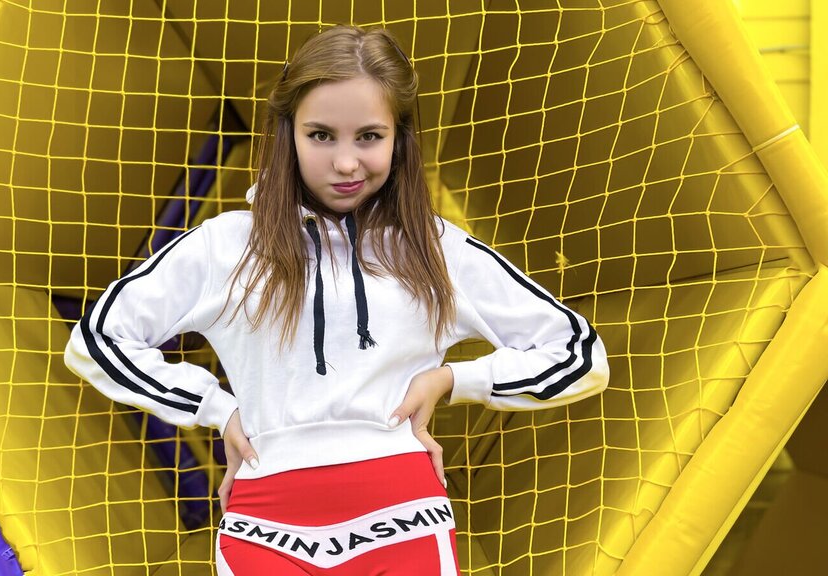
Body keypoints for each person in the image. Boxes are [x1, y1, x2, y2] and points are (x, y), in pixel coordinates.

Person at [65, 24, 609, 576]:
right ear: (288, 135)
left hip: (403, 515)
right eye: (321, 135)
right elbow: (97, 341)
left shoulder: (437, 249)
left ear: (400, 139)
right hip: (265, 523)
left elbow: (579, 355)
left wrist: (452, 380)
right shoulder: (226, 246)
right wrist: (216, 409)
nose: (346, 163)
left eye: (369, 136)